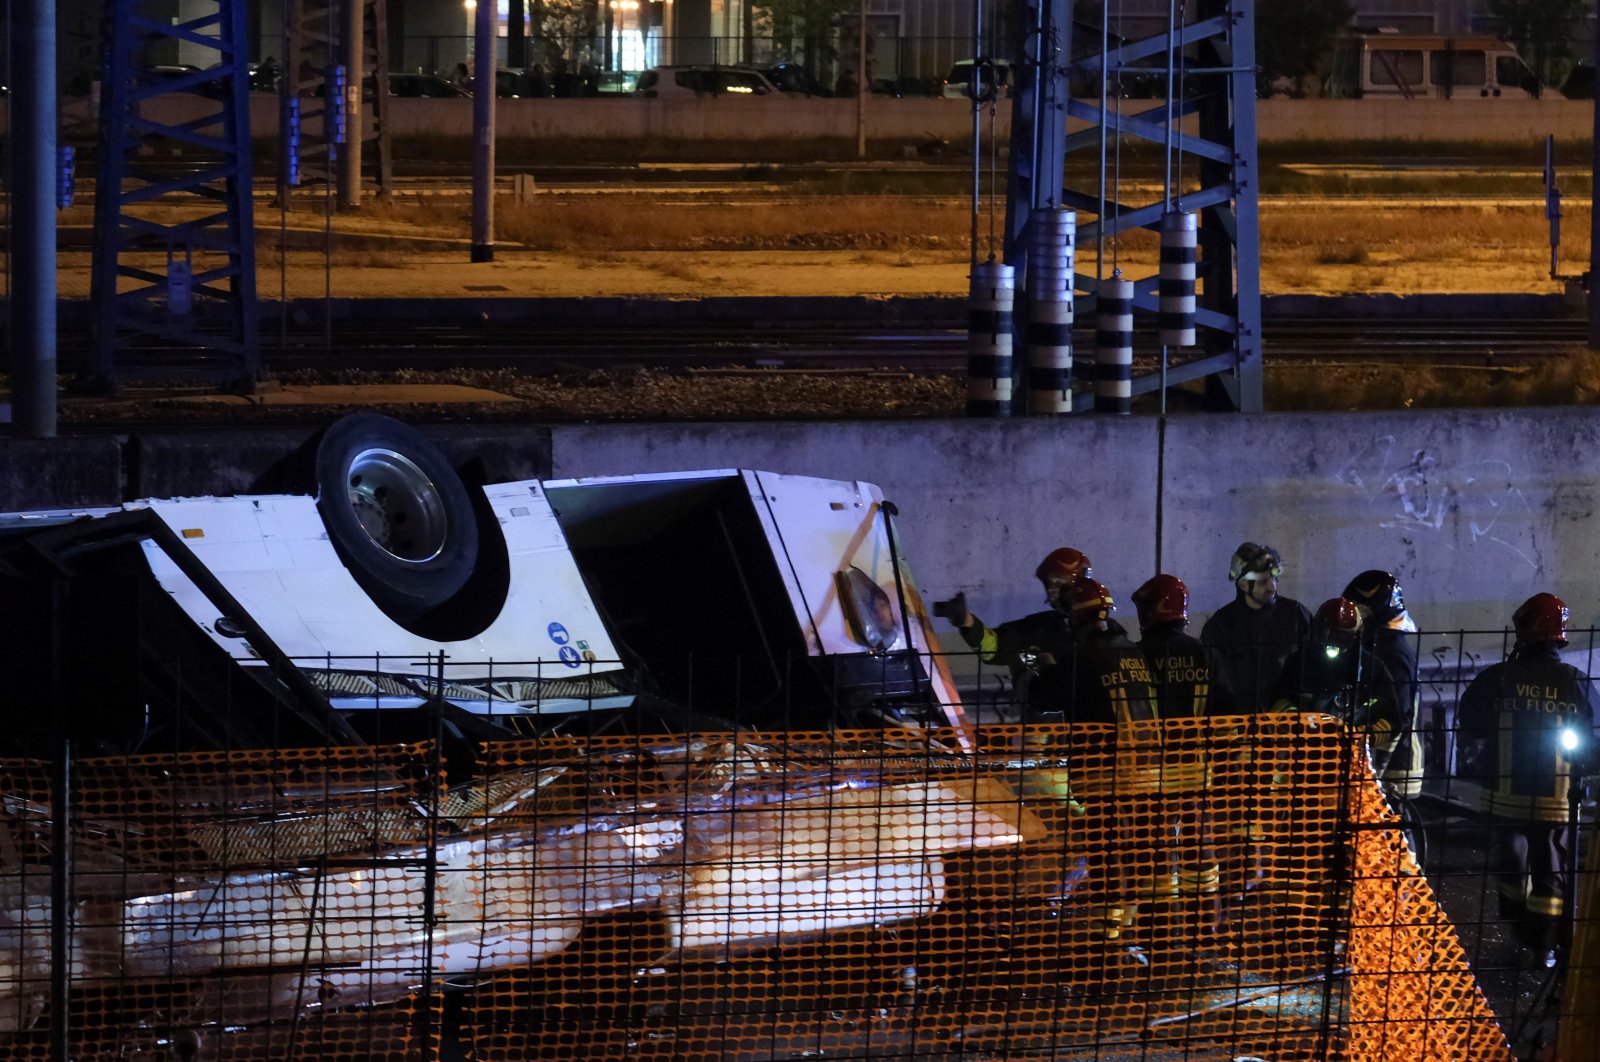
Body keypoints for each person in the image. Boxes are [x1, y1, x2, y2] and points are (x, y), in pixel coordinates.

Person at [1457, 593, 1598, 968]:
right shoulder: (1574, 681)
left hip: (1502, 796)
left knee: (1512, 860)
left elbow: (1470, 727)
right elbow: (1594, 738)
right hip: (1554, 797)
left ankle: (1517, 924)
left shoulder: (1496, 678)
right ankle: (1545, 945)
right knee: (1551, 867)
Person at [1131, 573, 1236, 955]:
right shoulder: (1204, 654)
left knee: (1153, 856)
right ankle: (1205, 930)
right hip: (1194, 771)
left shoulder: (1135, 656)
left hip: (1148, 776)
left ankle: (1155, 938)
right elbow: (1227, 715)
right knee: (1200, 855)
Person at [939, 547, 1091, 714]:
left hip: (1090, 728)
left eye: (1058, 582)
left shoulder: (1104, 633)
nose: (1051, 590)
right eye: (1049, 584)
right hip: (1044, 730)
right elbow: (994, 648)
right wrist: (966, 622)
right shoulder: (1038, 628)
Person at [1341, 569, 1424, 803]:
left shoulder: (1393, 652)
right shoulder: (1380, 645)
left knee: (1395, 834)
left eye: (1360, 611)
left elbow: (1398, 713)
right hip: (1381, 759)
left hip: (1396, 764)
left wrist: (1363, 741)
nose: (1354, 619)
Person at [1200, 542, 1312, 713]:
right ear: (1243, 584)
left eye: (1274, 578)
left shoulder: (1296, 616)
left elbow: (1312, 669)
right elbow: (1211, 688)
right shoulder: (1220, 627)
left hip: (1287, 727)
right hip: (1239, 728)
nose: (1272, 587)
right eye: (1263, 582)